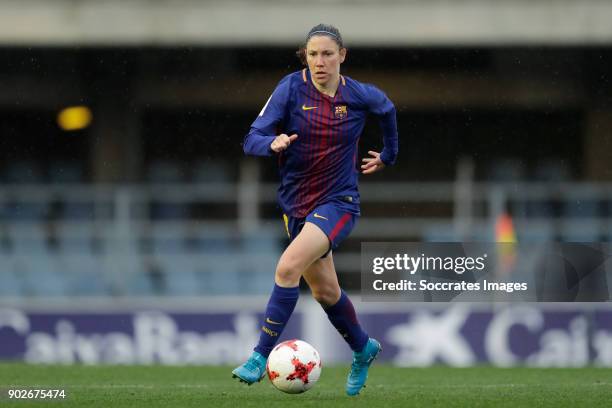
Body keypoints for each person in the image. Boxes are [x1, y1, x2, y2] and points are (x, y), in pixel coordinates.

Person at [232, 23, 398, 396]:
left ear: (342, 55)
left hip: (339, 202)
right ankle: (363, 347)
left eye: (327, 54)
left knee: (287, 267)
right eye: (312, 54)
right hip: (296, 206)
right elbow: (251, 138)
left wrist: (389, 154)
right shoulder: (290, 88)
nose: (319, 62)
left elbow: (386, 109)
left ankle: (259, 356)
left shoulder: (358, 95)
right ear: (304, 57)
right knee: (325, 292)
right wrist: (270, 143)